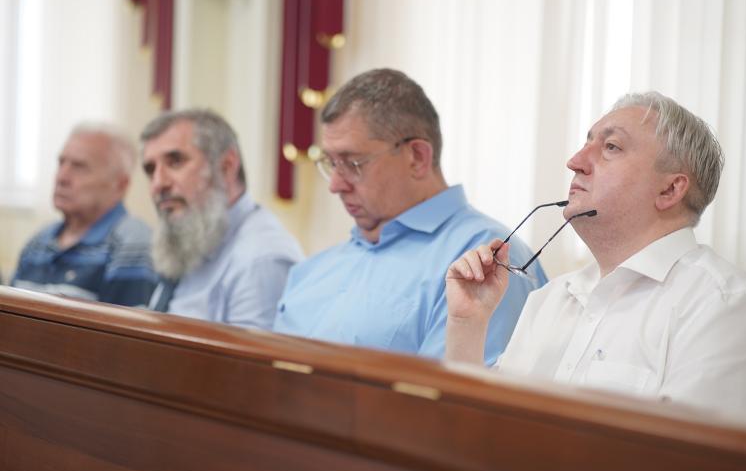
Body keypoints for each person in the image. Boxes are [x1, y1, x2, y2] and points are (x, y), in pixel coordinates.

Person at [445, 91, 746, 417]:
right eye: (586, 143)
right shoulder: (549, 300)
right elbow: (481, 432)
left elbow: (696, 461)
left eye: (611, 147)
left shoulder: (724, 307)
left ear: (670, 189)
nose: (575, 162)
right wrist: (467, 324)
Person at [274, 68, 546, 364]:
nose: (335, 185)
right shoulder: (311, 270)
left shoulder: (487, 262)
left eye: (353, 163)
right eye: (330, 163)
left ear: (417, 157)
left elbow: (453, 390)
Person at [140, 109, 303, 330]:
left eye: (175, 162)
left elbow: (249, 354)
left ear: (226, 167)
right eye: (150, 170)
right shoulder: (193, 236)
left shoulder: (261, 259)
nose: (158, 183)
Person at [12, 124, 157, 307]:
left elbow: (126, 326)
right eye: (61, 163)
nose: (61, 177)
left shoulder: (132, 244)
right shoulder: (39, 242)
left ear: (120, 185)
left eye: (79, 167)